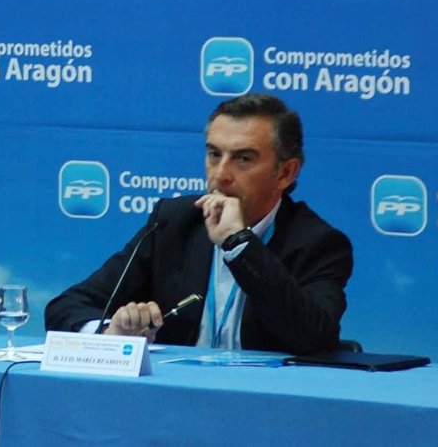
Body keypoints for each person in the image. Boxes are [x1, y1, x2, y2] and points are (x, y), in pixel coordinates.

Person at [45, 93, 352, 355]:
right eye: (214, 154)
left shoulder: (317, 244)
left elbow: (313, 338)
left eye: (243, 159)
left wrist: (238, 243)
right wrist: (110, 334)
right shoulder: (175, 222)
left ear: (285, 173)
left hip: (265, 400)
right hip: (174, 397)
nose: (220, 175)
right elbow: (68, 306)